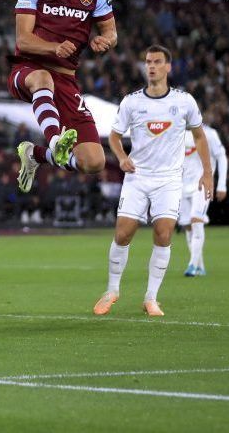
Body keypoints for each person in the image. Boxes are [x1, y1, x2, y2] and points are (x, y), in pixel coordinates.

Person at [95, 46, 213, 317]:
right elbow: (114, 136)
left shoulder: (184, 101)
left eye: (157, 62)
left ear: (168, 67)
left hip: (169, 180)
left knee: (163, 234)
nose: (151, 66)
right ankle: (112, 291)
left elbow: (199, 136)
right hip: (137, 177)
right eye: (148, 62)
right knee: (122, 234)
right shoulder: (132, 102)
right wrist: (122, 157)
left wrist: (207, 173)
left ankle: (151, 297)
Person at [11, 0, 117, 191]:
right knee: (43, 77)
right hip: (28, 69)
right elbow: (23, 40)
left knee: (94, 162)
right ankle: (55, 141)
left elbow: (111, 32)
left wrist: (105, 40)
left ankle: (36, 154)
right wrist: (53, 47)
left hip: (66, 80)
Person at [180, 122, 227, 276]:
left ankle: (192, 266)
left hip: (202, 184)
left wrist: (221, 185)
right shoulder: (178, 132)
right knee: (187, 225)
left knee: (196, 220)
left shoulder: (209, 133)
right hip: (181, 186)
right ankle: (200, 266)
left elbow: (221, 157)